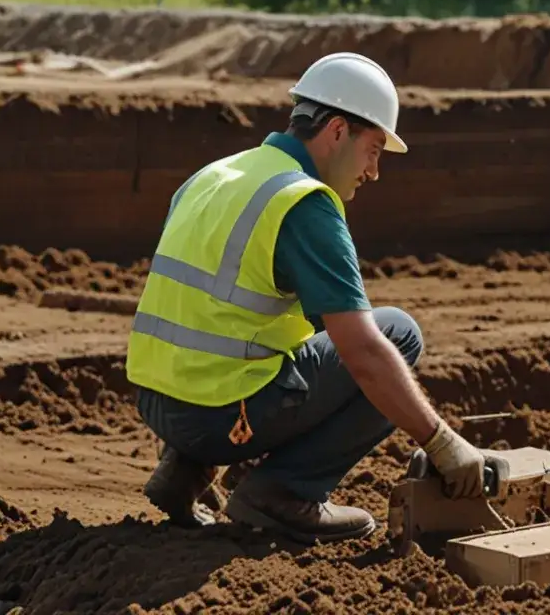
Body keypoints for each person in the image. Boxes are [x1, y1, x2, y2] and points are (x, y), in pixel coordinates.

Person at [126, 52, 486, 544]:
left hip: (157, 403)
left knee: (292, 333)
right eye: (374, 149)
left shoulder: (216, 175)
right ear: (337, 131)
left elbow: (204, 310)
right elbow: (362, 354)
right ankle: (284, 493)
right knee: (396, 335)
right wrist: (443, 443)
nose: (374, 172)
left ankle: (182, 470)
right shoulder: (303, 204)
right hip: (216, 418)